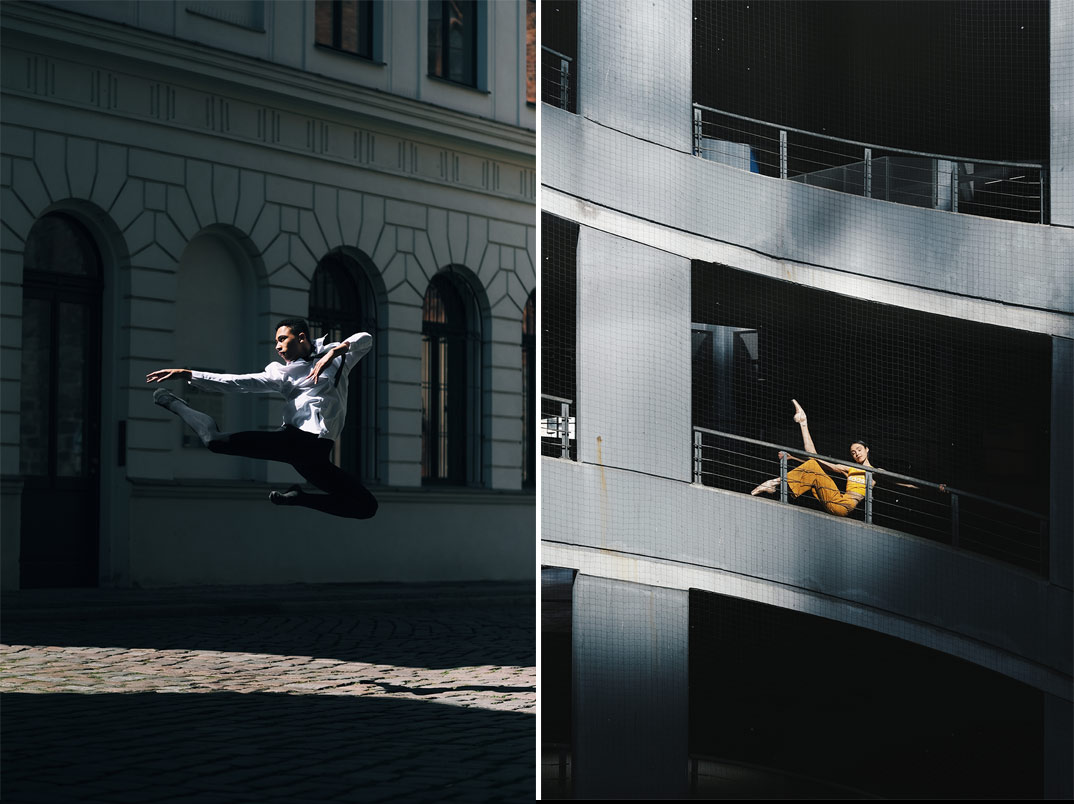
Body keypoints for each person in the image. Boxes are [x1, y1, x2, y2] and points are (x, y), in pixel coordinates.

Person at [146, 318, 378, 520]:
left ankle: (300, 498)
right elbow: (237, 382)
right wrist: (188, 374)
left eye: (282, 339)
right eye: (276, 341)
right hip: (293, 440)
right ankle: (173, 402)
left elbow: (366, 338)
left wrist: (335, 352)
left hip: (316, 455)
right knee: (214, 442)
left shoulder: (339, 358)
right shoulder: (281, 374)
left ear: (301, 337)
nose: (278, 346)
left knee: (366, 507)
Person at [750, 399, 878, 517]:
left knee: (813, 465)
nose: (857, 453)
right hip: (836, 499)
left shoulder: (875, 472)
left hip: (845, 507)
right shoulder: (850, 469)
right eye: (853, 452)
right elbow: (814, 459)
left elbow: (896, 481)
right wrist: (793, 457)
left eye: (859, 450)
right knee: (814, 463)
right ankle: (803, 422)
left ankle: (773, 483)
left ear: (867, 449)